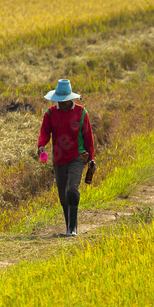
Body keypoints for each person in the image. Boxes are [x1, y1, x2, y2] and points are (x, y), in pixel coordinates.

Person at [37, 79, 96, 237]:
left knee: (71, 189)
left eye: (63, 101)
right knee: (63, 197)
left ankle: (72, 229)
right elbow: (44, 132)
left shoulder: (81, 112)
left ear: (70, 99)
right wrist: (41, 145)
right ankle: (69, 227)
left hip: (77, 156)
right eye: (58, 101)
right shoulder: (50, 113)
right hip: (58, 159)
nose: (61, 104)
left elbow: (88, 137)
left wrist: (91, 159)